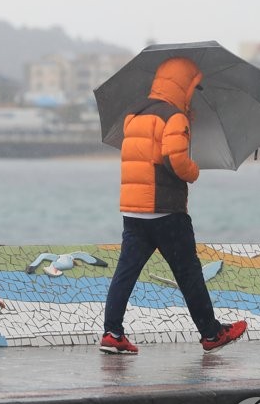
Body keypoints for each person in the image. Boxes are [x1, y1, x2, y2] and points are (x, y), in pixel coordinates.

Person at [100, 56, 248, 355]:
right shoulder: (173, 118)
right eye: (191, 87)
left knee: (125, 273)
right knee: (189, 272)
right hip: (165, 210)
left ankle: (112, 333)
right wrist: (193, 171)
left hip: (133, 210)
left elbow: (149, 151)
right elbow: (175, 159)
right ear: (183, 85)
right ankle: (211, 334)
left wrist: (183, 121)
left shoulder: (135, 114)